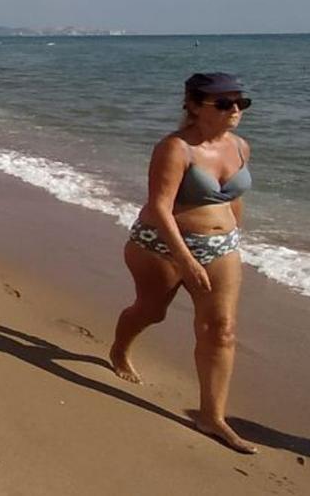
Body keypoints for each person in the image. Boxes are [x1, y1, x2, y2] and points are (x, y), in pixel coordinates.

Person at [109, 72, 256, 453]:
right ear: (193, 106)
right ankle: (119, 349)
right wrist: (185, 258)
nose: (235, 110)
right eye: (223, 104)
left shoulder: (240, 146)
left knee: (221, 328)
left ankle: (212, 416)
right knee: (151, 311)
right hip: (161, 243)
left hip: (221, 246)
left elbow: (233, 198)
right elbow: (159, 206)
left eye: (240, 103)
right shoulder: (175, 148)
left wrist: (236, 235)